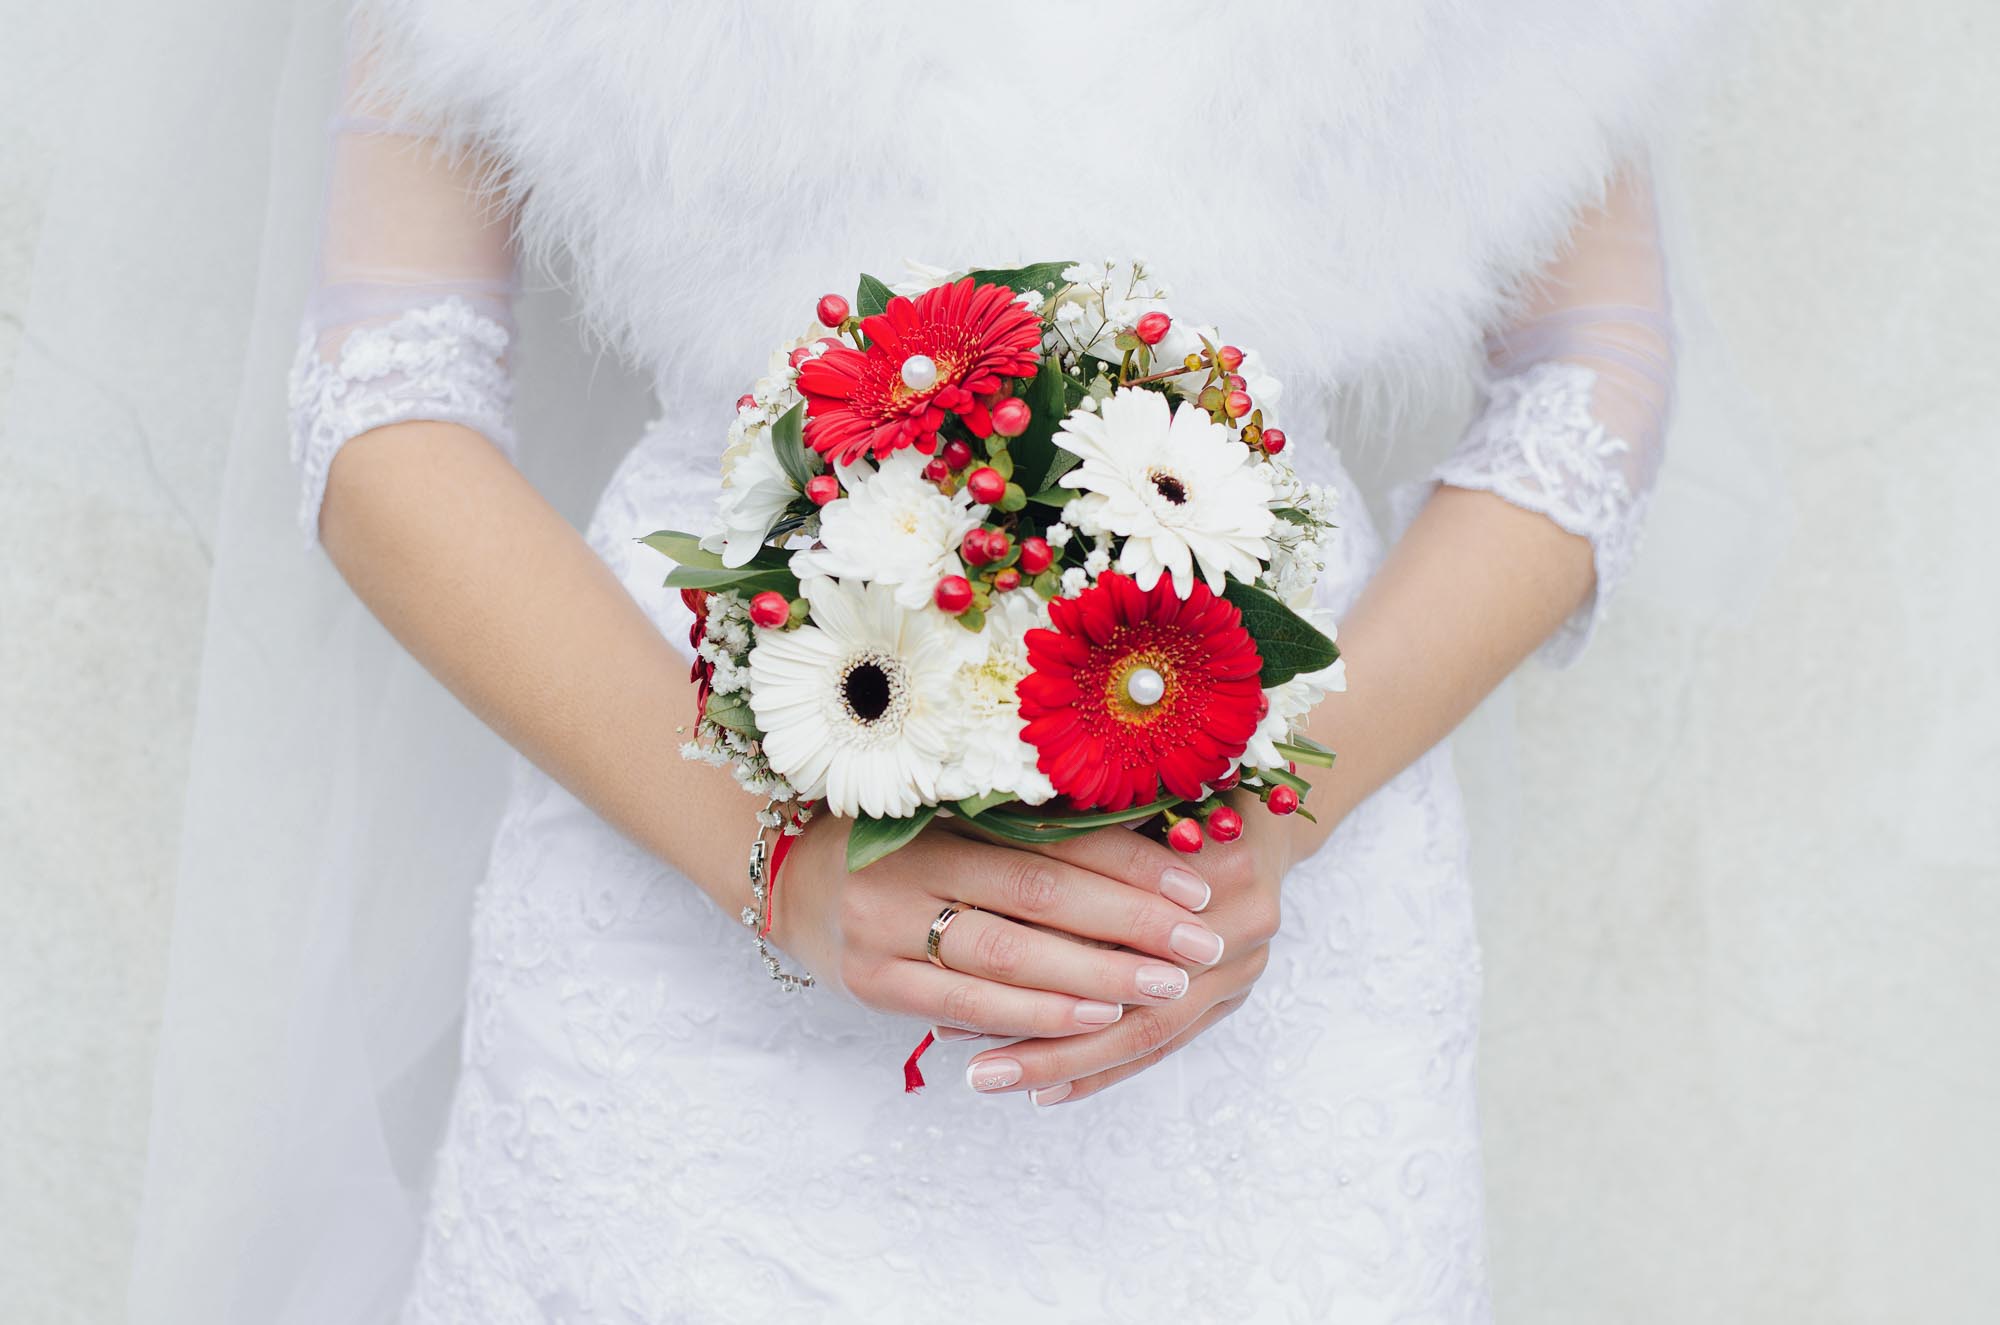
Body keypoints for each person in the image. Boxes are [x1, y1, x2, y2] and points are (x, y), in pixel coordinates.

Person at [139, 3, 1709, 1320]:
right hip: (685, 868)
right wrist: (773, 858)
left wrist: (1275, 815)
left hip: (1253, 921)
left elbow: (1594, 368)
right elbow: (386, 394)